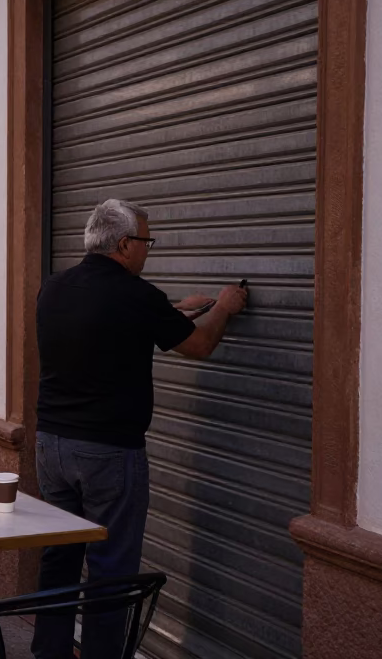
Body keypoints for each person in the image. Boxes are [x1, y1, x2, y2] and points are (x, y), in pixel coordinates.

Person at [32, 199, 247, 659]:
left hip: (50, 445)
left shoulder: (53, 288)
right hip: (108, 452)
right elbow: (201, 345)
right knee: (110, 568)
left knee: (60, 556)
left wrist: (170, 311)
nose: (147, 251)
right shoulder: (136, 295)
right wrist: (224, 306)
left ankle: (49, 652)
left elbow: (103, 324)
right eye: (146, 241)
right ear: (126, 244)